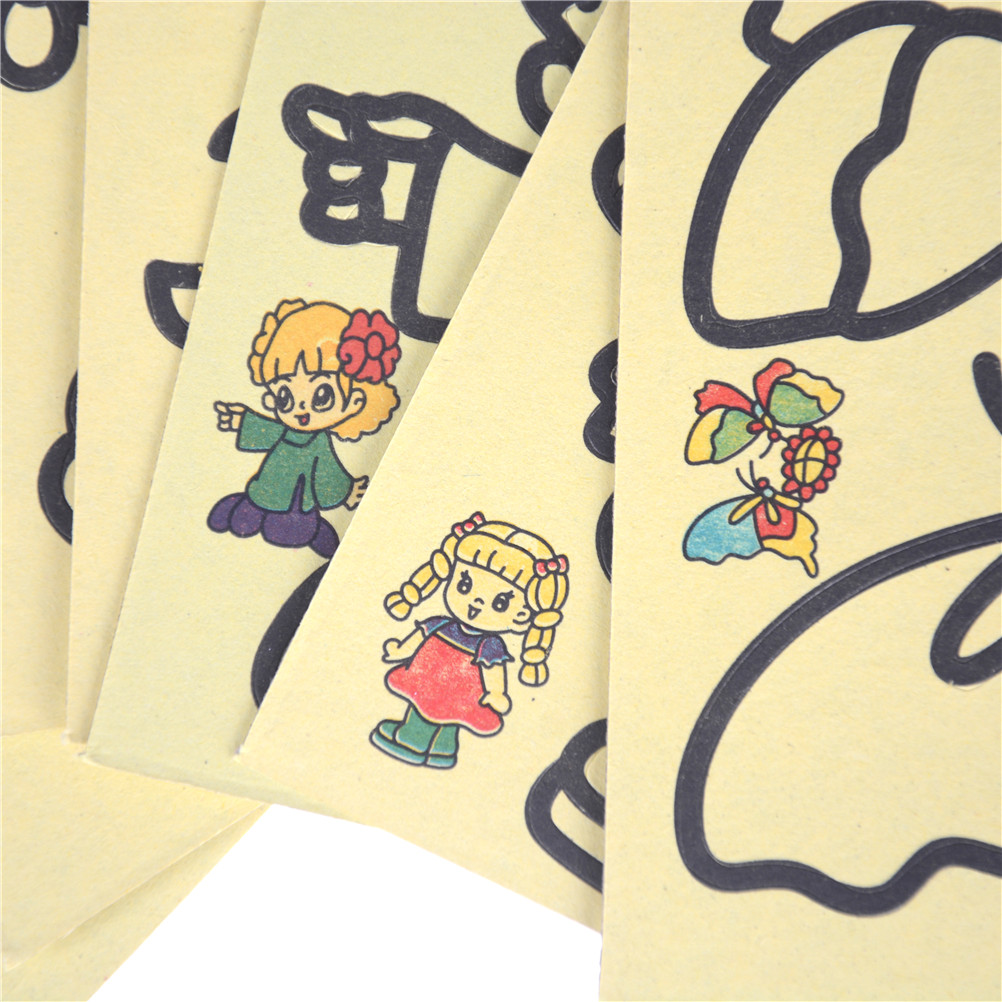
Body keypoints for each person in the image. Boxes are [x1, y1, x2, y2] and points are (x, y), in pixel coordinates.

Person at [372, 513, 570, 769]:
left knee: (440, 711)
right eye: (464, 585)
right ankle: (441, 749)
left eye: (500, 603)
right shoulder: (442, 624)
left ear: (522, 617)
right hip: (432, 676)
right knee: (432, 707)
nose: (475, 602)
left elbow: (493, 670)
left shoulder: (489, 645)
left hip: (456, 687)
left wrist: (496, 693)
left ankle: (413, 739)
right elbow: (420, 636)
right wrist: (401, 649)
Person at [208, 298, 400, 558]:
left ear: (354, 403)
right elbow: (268, 431)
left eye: (321, 396)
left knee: (288, 530)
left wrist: (346, 491)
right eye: (285, 396)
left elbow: (328, 472)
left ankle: (313, 531)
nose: (300, 409)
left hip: (298, 506)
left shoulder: (319, 444)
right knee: (248, 509)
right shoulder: (285, 431)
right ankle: (251, 509)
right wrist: (241, 421)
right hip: (263, 491)